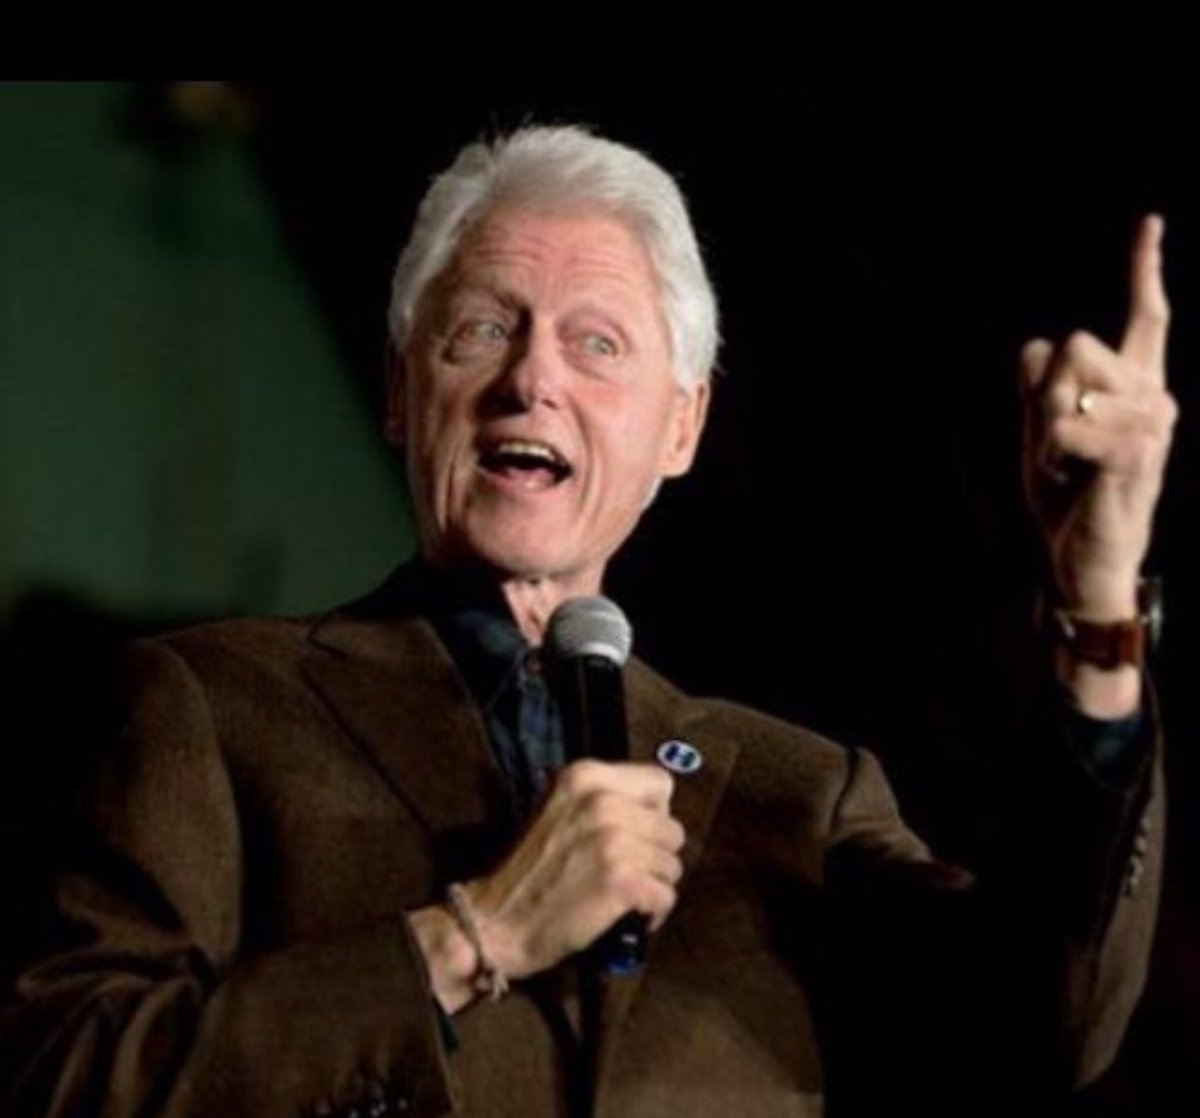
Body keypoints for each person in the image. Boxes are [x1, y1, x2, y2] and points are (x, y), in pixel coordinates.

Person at [0, 125, 1175, 1117]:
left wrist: (1099, 605)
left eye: (597, 343)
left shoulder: (797, 794)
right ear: (402, 393)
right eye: (482, 329)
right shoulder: (207, 708)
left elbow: (1042, 1025)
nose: (534, 379)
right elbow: (61, 1072)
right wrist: (472, 936)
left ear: (681, 426)